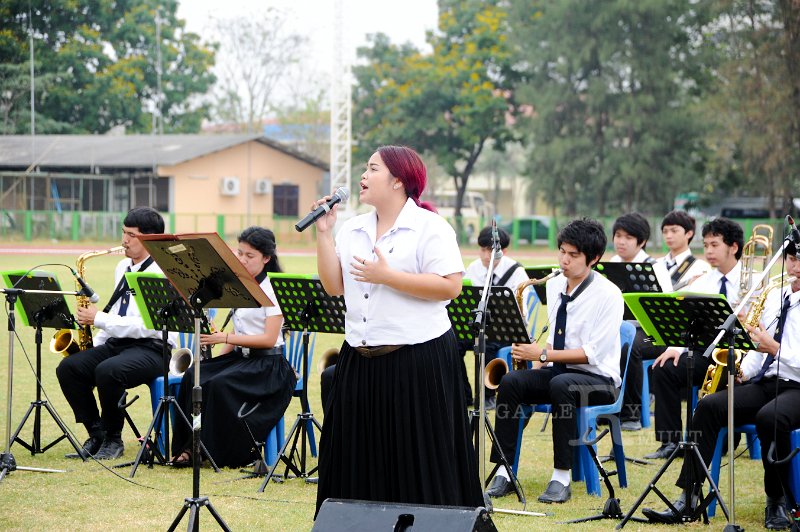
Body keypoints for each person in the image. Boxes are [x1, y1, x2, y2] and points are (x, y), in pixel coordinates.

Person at [313, 145, 483, 515]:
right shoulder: (354, 228)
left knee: (419, 455)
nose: (363, 176)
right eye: (365, 168)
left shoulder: (430, 226)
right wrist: (324, 234)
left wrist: (389, 277)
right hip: (360, 357)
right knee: (355, 453)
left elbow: (450, 287)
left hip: (418, 358)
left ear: (398, 181)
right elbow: (333, 285)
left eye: (372, 169)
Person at [643, 240, 800, 529]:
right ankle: (688, 496)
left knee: (770, 417)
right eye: (791, 259)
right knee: (709, 405)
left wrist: (775, 348)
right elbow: (757, 349)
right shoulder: (776, 295)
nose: (795, 267)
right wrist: (742, 371)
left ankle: (776, 501)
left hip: (797, 388)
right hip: (767, 381)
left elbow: (774, 348)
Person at [485, 218, 624, 504]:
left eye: (573, 255)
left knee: (562, 384)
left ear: (594, 259)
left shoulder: (610, 295)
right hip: (560, 372)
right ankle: (504, 470)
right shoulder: (555, 283)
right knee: (512, 381)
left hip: (600, 380)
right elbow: (555, 338)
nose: (564, 260)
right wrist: (533, 366)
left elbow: (591, 353)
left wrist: (543, 355)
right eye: (562, 251)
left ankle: (561, 477)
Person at [56, 207, 177, 460]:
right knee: (69, 368)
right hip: (118, 344)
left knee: (108, 371)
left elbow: (150, 326)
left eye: (131, 235)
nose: (124, 240)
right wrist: (96, 344)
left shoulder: (162, 272)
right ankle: (97, 434)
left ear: (150, 238)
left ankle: (114, 439)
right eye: (123, 232)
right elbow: (117, 309)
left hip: (154, 348)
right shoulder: (123, 266)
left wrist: (98, 319)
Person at [171, 227, 296, 468]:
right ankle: (189, 446)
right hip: (242, 358)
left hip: (268, 365)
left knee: (219, 384)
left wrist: (224, 338)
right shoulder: (240, 286)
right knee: (193, 375)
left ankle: (216, 451)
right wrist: (213, 360)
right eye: (240, 253)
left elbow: (269, 339)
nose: (242, 260)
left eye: (250, 256)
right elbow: (240, 332)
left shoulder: (272, 290)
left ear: (266, 258)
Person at [645, 217, 744, 459]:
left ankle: (721, 439)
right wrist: (675, 348)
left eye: (715, 245)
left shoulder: (753, 280)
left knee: (725, 378)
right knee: (665, 368)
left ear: (733, 247)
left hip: (741, 357)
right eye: (706, 245)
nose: (708, 251)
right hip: (708, 352)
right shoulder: (705, 281)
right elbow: (691, 322)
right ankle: (670, 441)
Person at [620, 210, 710, 431]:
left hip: (678, 336)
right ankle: (615, 405)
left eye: (674, 230)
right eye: (665, 231)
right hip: (654, 330)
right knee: (622, 341)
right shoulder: (656, 266)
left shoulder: (700, 268)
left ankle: (631, 412)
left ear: (689, 233)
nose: (669, 236)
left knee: (631, 345)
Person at [460, 225, 530, 410]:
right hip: (479, 326)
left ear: (504, 251)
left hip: (506, 330)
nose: (485, 256)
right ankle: (464, 394)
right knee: (452, 344)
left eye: (490, 250)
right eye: (482, 250)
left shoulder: (517, 272)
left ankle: (487, 395)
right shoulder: (473, 268)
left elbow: (523, 314)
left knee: (488, 344)